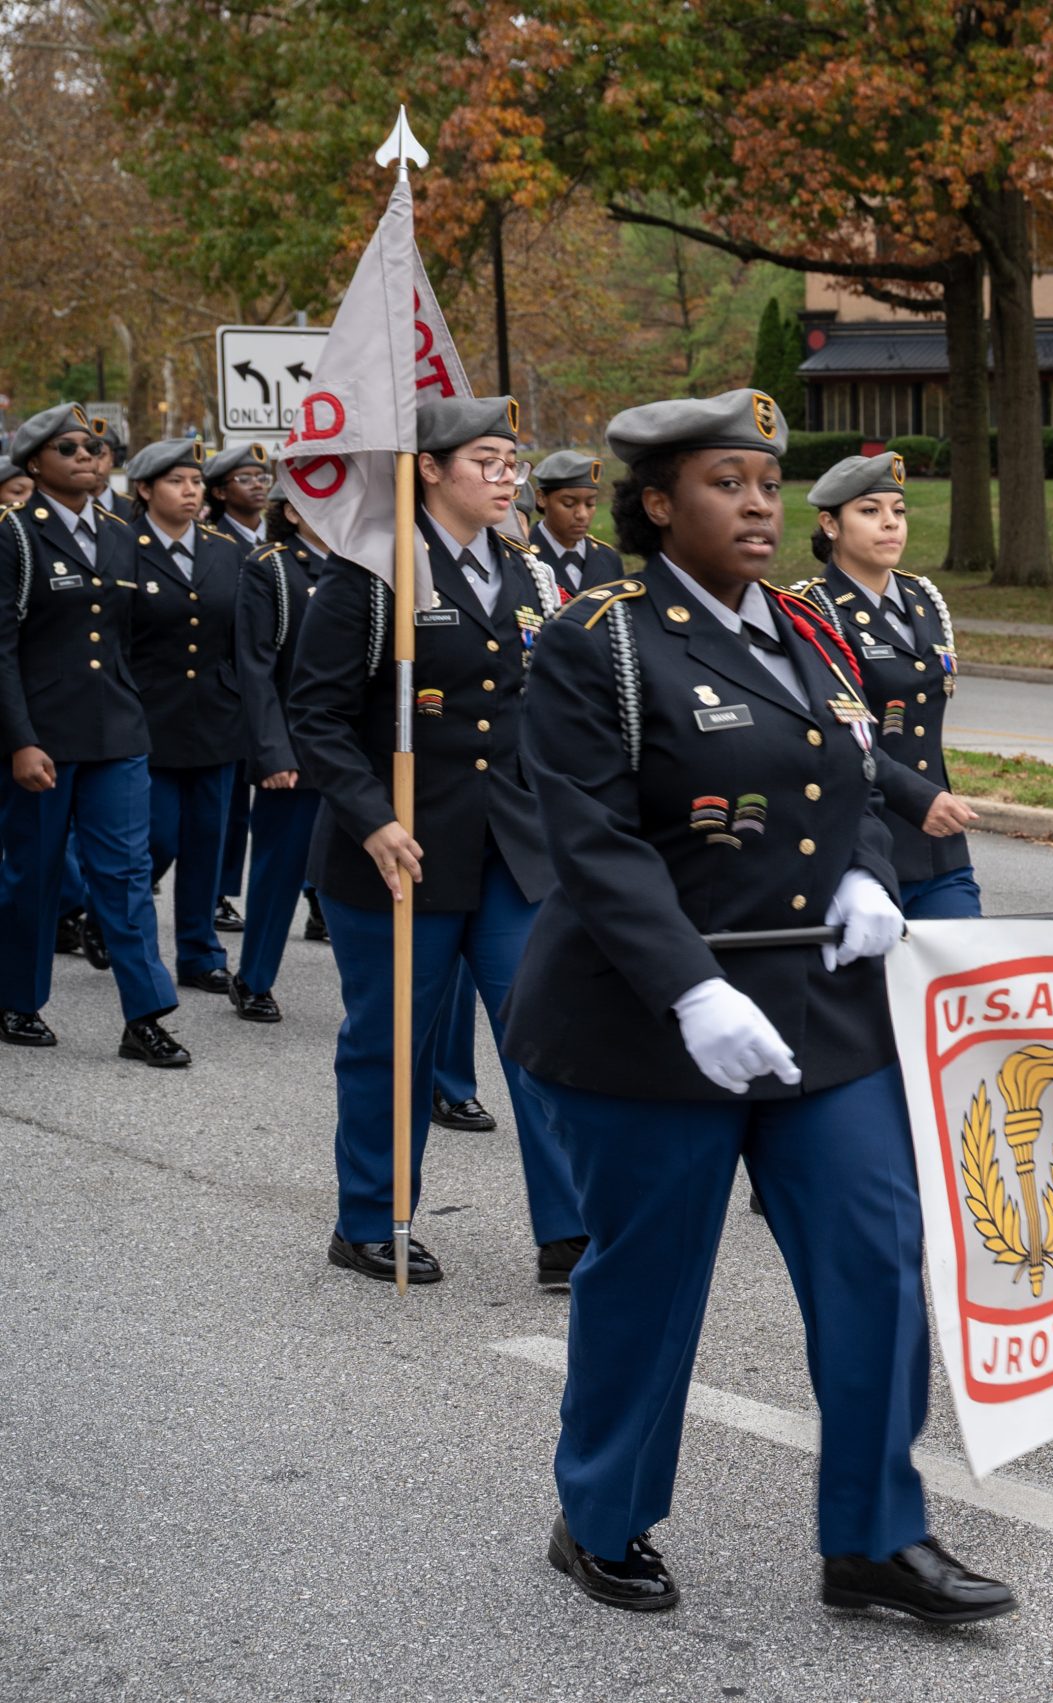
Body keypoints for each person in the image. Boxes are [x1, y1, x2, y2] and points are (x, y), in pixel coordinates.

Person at [507, 389, 1014, 1624]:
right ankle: (604, 1512)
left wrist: (870, 875)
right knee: (651, 1277)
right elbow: (595, 842)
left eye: (764, 484)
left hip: (816, 1013)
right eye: (725, 482)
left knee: (877, 1258)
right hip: (651, 1017)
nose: (754, 504)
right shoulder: (600, 639)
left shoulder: (806, 627)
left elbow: (854, 776)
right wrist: (690, 989)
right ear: (656, 503)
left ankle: (875, 1537)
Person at [288, 394, 582, 1288]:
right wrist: (372, 815)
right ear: (431, 469)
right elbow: (317, 712)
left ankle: (569, 1231)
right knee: (393, 1040)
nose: (505, 478)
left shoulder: (530, 574)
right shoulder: (375, 571)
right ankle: (370, 1217)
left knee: (541, 1034)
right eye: (486, 461)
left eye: (511, 463)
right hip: (396, 851)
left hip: (509, 850)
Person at [0, 404, 186, 1063]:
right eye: (69, 446)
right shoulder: (14, 534)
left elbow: (128, 640)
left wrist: (137, 712)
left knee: (127, 874)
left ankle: (145, 1013)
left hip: (116, 732)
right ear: (34, 463)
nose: (87, 455)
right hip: (43, 738)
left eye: (96, 447)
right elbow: (3, 646)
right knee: (34, 874)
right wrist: (20, 739)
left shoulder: (119, 535)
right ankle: (18, 1001)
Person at [802, 450, 981, 918]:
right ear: (830, 524)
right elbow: (840, 736)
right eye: (869, 511)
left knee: (960, 984)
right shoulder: (812, 612)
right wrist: (917, 797)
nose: (890, 524)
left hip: (938, 848)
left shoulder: (923, 598)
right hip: (857, 852)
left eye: (897, 512)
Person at [125, 438, 254, 998]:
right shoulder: (121, 545)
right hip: (148, 714)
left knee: (205, 837)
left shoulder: (226, 550)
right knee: (155, 838)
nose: (189, 491)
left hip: (216, 717)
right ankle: (113, 918)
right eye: (176, 481)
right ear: (145, 490)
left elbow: (240, 640)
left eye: (196, 482)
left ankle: (200, 952)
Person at [228, 495, 331, 1022]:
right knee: (279, 872)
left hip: (357, 750)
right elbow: (256, 666)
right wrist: (271, 750)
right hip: (297, 746)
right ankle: (254, 978)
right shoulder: (270, 567)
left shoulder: (364, 559)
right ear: (291, 512)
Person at [204, 444, 275, 929]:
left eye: (261, 476)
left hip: (272, 683)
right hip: (225, 684)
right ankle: (218, 892)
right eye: (245, 477)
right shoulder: (212, 540)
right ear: (221, 490)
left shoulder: (282, 539)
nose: (258, 483)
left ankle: (312, 899)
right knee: (228, 805)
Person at [527, 450, 619, 595]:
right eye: (568, 503)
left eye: (590, 503)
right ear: (542, 498)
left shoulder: (608, 559)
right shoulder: (521, 558)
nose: (582, 515)